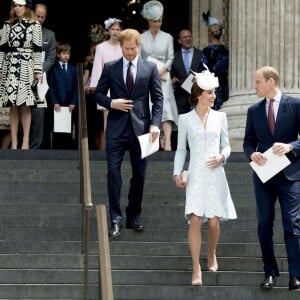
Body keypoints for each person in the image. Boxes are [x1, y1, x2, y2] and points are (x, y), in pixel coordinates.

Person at [92, 28, 163, 238]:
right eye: (126, 48)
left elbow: (157, 99)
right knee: (113, 175)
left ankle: (133, 216)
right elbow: (97, 94)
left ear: (138, 46)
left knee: (139, 175)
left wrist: (155, 125)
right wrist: (111, 102)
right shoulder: (111, 67)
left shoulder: (149, 68)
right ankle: (115, 219)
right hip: (115, 128)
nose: (130, 52)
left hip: (142, 129)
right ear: (121, 47)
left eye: (133, 48)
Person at [173, 67, 237, 286]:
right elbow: (181, 149)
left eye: (214, 92)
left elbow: (227, 146)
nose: (214, 96)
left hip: (216, 173)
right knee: (195, 219)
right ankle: (196, 267)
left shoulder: (221, 117)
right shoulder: (184, 119)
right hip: (196, 174)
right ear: (199, 93)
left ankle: (211, 252)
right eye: (210, 92)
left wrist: (222, 156)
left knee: (213, 222)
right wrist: (176, 172)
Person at [243, 66, 300, 291]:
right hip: (264, 175)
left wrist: (290, 146)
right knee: (264, 224)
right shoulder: (253, 110)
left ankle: (295, 275)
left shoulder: (295, 105)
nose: (254, 86)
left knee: (292, 224)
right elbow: (248, 141)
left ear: (270, 81)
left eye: (257, 82)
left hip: (290, 175)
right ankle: (269, 273)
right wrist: (251, 153)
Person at [0, 0, 43, 150]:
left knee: (25, 104)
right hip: (10, 66)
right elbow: (2, 48)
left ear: (26, 7)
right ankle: (14, 142)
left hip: (26, 66)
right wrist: (0, 68)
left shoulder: (34, 24)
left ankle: (25, 141)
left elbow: (38, 49)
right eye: (14, 5)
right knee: (12, 105)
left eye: (20, 5)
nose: (17, 8)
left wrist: (38, 70)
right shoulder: (7, 24)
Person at [140, 0, 178, 151]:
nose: (158, 24)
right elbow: (140, 57)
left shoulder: (168, 37)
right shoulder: (142, 38)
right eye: (155, 21)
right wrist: (147, 72)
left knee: (166, 107)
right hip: (147, 75)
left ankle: (168, 142)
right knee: (150, 106)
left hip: (163, 76)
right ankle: (153, 143)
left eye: (160, 21)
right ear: (149, 21)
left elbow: (171, 57)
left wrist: (162, 70)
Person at [89, 17, 122, 150]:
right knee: (107, 117)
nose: (115, 32)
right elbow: (97, 66)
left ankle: (119, 144)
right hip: (106, 86)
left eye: (118, 29)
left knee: (121, 116)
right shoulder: (101, 47)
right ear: (108, 30)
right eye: (113, 29)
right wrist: (95, 85)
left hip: (121, 85)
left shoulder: (123, 46)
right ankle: (109, 145)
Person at [29, 3, 56, 149]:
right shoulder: (23, 30)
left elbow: (51, 58)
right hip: (22, 75)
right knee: (20, 111)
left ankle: (35, 147)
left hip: (41, 79)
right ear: (32, 14)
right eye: (37, 16)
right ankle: (22, 144)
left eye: (42, 17)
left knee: (38, 113)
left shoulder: (50, 35)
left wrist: (39, 71)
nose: (39, 19)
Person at [47, 41, 78, 149]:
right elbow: (51, 87)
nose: (66, 56)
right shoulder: (53, 69)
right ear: (58, 54)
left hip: (69, 105)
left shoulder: (73, 70)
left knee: (68, 128)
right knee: (57, 128)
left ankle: (68, 150)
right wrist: (54, 102)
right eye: (64, 53)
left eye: (68, 53)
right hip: (57, 104)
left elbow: (76, 88)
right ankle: (56, 150)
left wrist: (74, 102)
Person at [83, 23, 108, 149]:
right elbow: (85, 79)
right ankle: (99, 148)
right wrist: (85, 87)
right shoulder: (89, 61)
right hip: (91, 96)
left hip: (103, 93)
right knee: (92, 124)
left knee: (102, 123)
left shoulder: (107, 59)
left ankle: (103, 149)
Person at [200, 11, 229, 111]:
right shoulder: (227, 51)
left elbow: (202, 71)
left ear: (209, 34)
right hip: (224, 87)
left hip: (211, 87)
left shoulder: (207, 51)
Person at [171, 29, 202, 115]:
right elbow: (169, 74)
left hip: (197, 99)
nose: (188, 39)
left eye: (189, 36)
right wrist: (172, 80)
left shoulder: (200, 54)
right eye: (185, 37)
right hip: (180, 100)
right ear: (179, 41)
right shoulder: (173, 56)